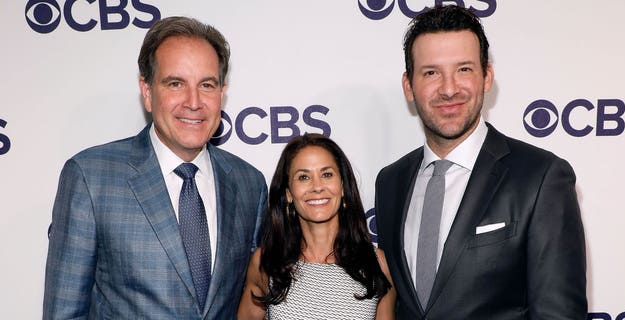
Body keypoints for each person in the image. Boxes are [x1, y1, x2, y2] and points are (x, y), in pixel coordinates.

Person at [43, 16, 267, 319]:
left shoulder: (249, 184)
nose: (193, 101)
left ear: (222, 93)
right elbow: (64, 312)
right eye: (176, 83)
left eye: (207, 85)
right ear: (147, 92)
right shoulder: (91, 177)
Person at [374, 5, 587, 319]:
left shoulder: (540, 178)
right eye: (431, 72)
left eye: (464, 69)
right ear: (409, 85)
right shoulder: (390, 181)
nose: (449, 89)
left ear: (487, 77)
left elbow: (559, 313)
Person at [237, 133, 396, 319]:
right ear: (288, 193)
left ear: (343, 187)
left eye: (327, 174)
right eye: (304, 177)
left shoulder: (377, 263)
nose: (317, 186)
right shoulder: (266, 262)